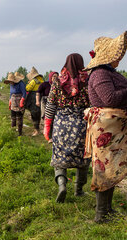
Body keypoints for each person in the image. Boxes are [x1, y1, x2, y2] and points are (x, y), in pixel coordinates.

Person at [84, 31, 127, 223]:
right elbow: (109, 98)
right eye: (116, 55)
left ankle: (107, 209)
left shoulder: (109, 72)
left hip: (115, 130)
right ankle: (101, 214)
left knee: (111, 168)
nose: (119, 58)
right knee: (104, 169)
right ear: (108, 56)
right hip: (108, 130)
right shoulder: (100, 74)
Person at [44, 53, 91, 203]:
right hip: (80, 125)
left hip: (61, 125)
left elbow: (51, 105)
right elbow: (93, 103)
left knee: (59, 156)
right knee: (83, 157)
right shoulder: (86, 80)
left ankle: (62, 185)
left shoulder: (58, 81)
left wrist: (47, 127)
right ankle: (78, 190)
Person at [38, 71, 58, 142]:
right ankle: (47, 134)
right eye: (54, 76)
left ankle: (51, 136)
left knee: (53, 119)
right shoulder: (45, 84)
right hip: (45, 102)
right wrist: (37, 101)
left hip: (55, 103)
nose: (55, 78)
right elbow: (38, 92)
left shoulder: (59, 85)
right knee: (46, 117)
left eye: (56, 76)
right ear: (50, 77)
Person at [4, 72, 26, 136]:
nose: (11, 83)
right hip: (13, 101)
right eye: (10, 81)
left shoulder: (20, 83)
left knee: (19, 118)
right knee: (13, 117)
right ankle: (12, 132)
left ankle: (20, 133)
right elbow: (11, 94)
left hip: (19, 101)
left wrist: (22, 101)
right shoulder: (11, 84)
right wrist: (10, 102)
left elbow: (24, 93)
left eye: (11, 81)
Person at [25, 67, 44, 136]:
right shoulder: (42, 80)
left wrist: (28, 84)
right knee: (38, 113)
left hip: (33, 98)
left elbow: (27, 88)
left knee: (34, 113)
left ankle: (36, 130)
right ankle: (37, 129)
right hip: (41, 97)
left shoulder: (33, 81)